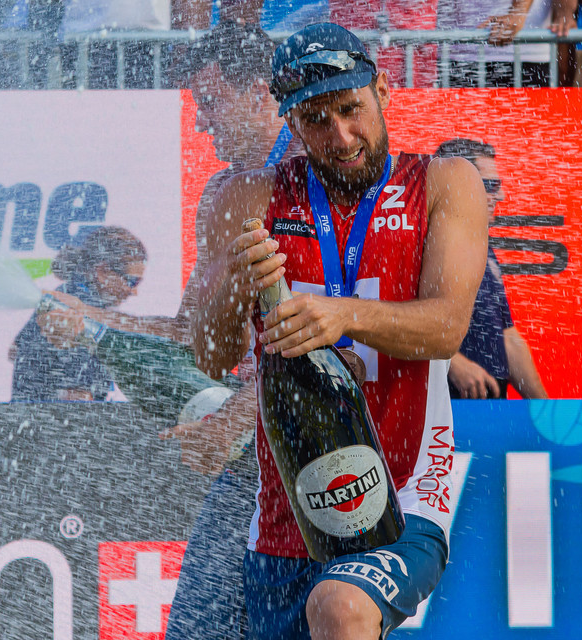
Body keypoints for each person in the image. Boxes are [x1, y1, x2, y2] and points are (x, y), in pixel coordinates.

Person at [191, 22, 488, 639]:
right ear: (292, 125)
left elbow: (445, 330)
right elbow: (211, 356)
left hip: (403, 499)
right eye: (316, 120)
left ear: (383, 91)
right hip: (286, 516)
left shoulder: (444, 181)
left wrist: (342, 314)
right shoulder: (247, 197)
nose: (341, 136)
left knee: (341, 608)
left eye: (352, 109)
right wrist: (235, 281)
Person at [35, 20, 301, 638]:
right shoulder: (224, 191)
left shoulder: (311, 179)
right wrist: (90, 320)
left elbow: (331, 344)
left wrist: (231, 420)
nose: (201, 122)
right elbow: (193, 336)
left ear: (258, 92)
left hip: (322, 448)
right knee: (199, 627)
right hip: (258, 452)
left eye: (210, 102)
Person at [434, 139, 547, 400]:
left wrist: (543, 409)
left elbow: (507, 337)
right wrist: (451, 363)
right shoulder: (420, 243)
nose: (501, 196)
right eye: (490, 186)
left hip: (488, 405)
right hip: (442, 407)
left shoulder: (481, 244)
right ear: (455, 184)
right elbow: (393, 321)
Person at [11, 225, 146, 401]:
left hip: (28, 413)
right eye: (132, 281)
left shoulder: (65, 293)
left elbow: (14, 350)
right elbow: (78, 399)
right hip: (54, 416)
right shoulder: (81, 311)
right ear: (102, 272)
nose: (134, 291)